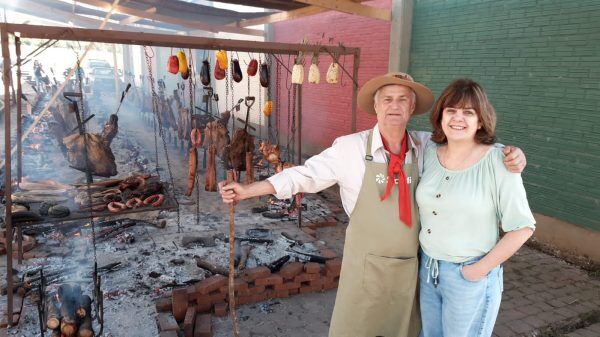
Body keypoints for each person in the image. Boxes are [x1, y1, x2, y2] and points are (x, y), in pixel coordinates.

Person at [219, 72, 527, 337]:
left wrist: (509, 154)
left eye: (403, 99)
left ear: (413, 108)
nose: (395, 105)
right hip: (364, 269)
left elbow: (470, 146)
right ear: (376, 106)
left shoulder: (428, 147)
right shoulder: (349, 148)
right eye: (387, 99)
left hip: (411, 269)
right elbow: (304, 175)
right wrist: (248, 190)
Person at [417, 79, 536, 337]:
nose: (458, 118)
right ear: (440, 116)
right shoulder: (428, 152)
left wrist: (477, 271)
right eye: (451, 110)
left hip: (468, 275)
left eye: (468, 112)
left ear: (480, 120)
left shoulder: (499, 160)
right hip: (428, 270)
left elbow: (523, 227)